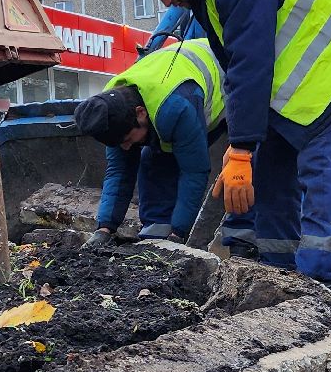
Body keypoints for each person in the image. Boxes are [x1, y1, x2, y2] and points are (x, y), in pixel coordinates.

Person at [127, 0, 331, 289]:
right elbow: (236, 63)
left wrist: (239, 148)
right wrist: (243, 144)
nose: (165, 1)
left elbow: (250, 62)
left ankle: (319, 280)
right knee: (272, 170)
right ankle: (278, 273)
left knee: (318, 166)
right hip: (304, 75)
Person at [72, 38, 253, 254]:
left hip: (231, 79)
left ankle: (245, 244)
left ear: (140, 112)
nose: (127, 147)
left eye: (129, 138)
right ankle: (154, 239)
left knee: (243, 169)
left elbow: (194, 171)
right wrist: (104, 229)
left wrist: (178, 234)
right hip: (176, 87)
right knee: (152, 160)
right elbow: (118, 173)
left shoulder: (176, 108)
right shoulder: (111, 111)